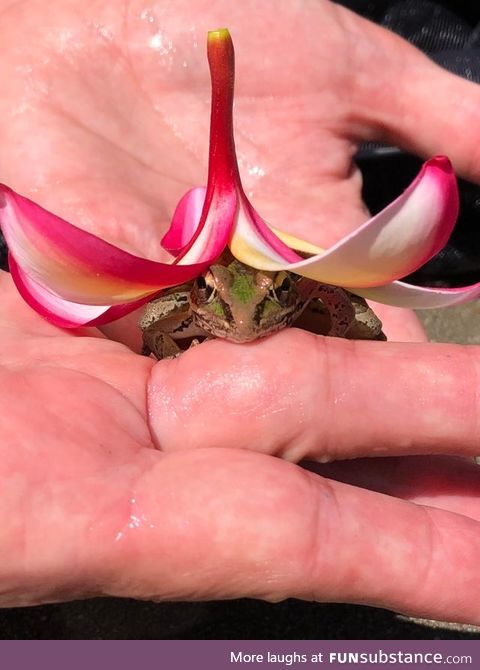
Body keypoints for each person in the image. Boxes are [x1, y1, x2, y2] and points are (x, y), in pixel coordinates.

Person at [0, 0, 480, 625]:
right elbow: (153, 322)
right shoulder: (191, 297)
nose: (247, 324)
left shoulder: (307, 290)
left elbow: (347, 304)